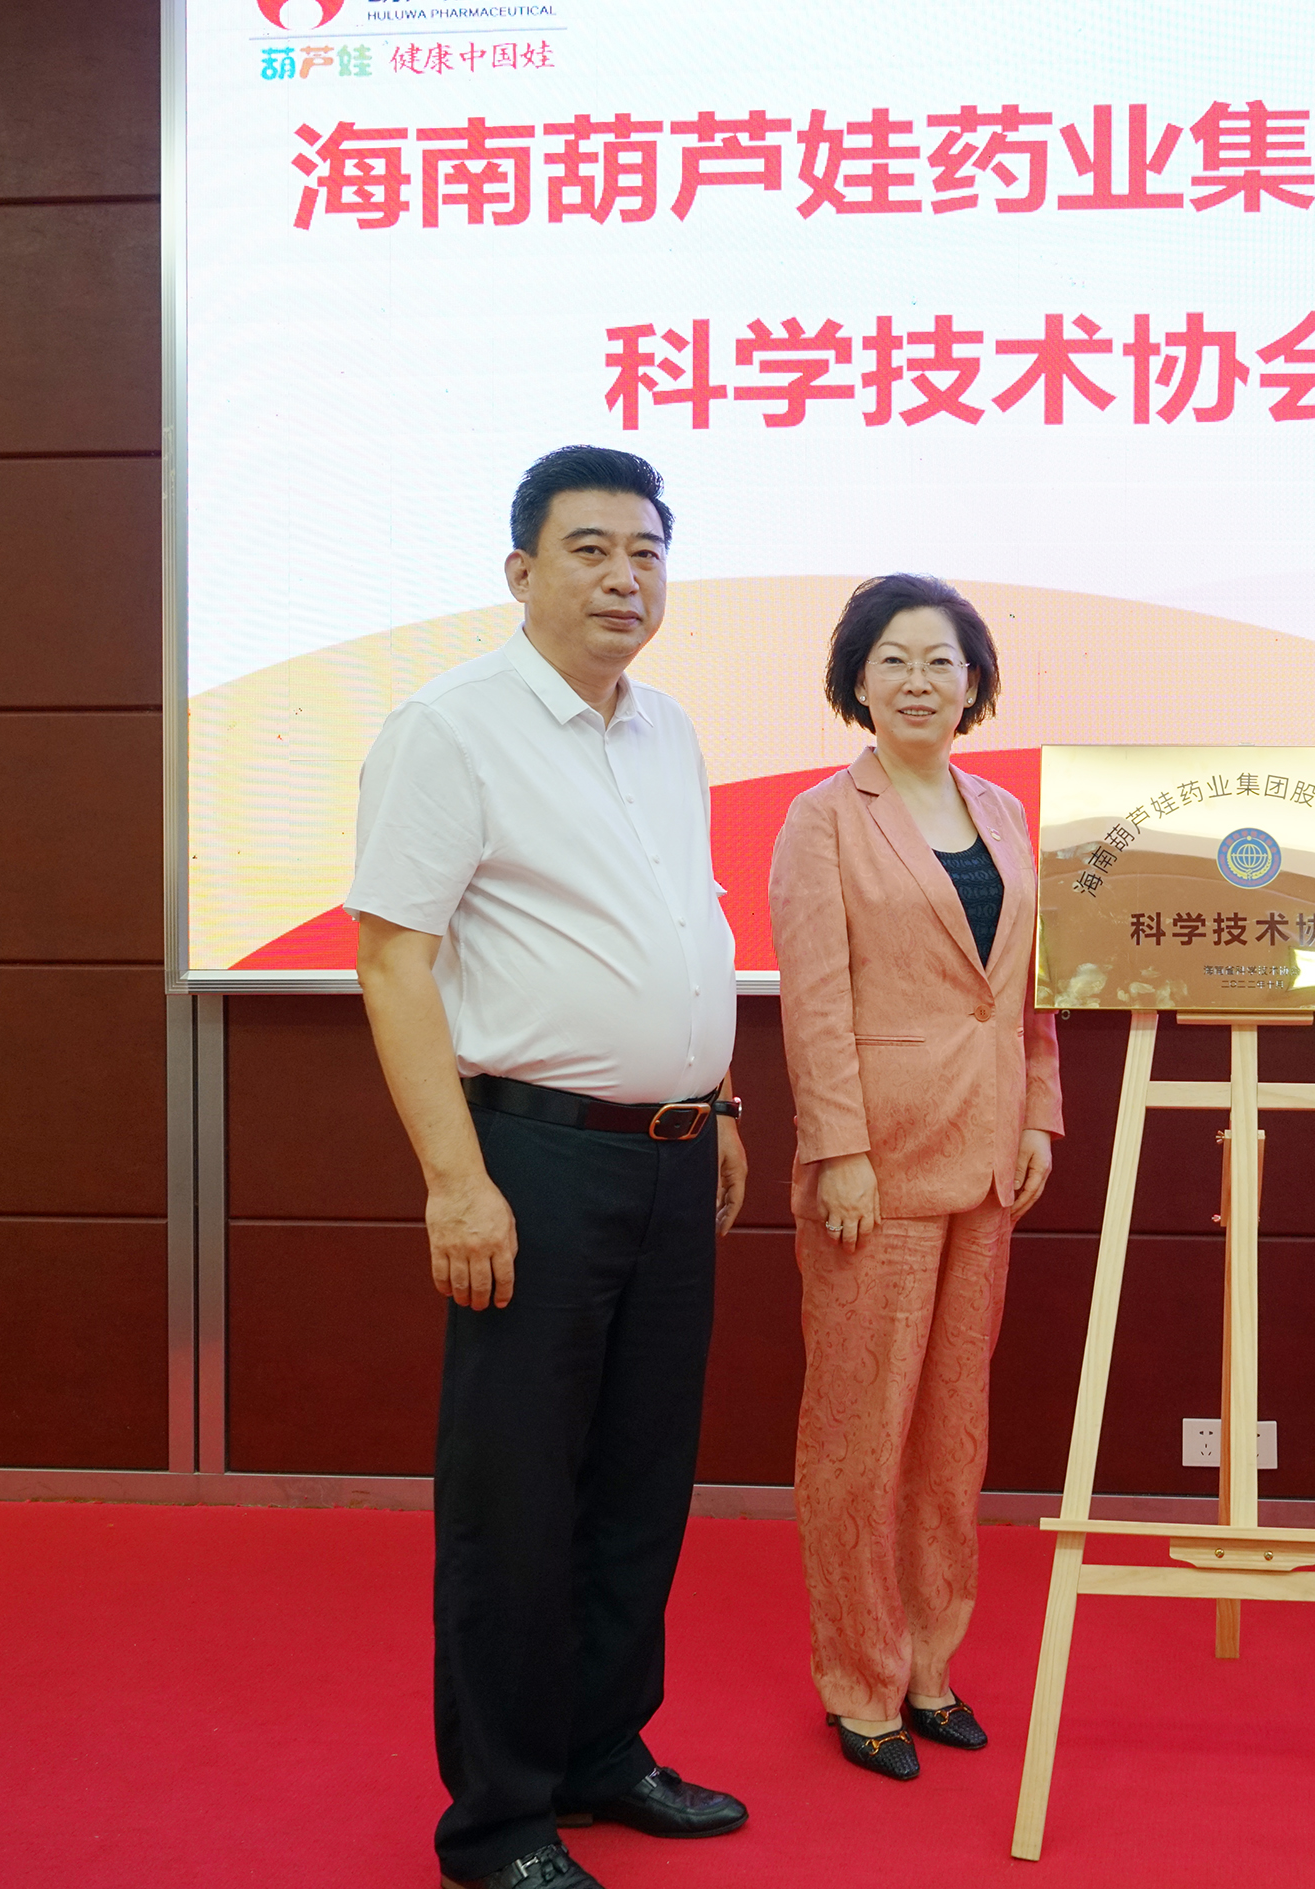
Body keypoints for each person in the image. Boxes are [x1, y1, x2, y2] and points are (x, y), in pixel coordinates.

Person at [349, 445, 751, 1889]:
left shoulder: (670, 730)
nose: (624, 577)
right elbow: (392, 962)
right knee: (517, 1498)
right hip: (533, 1161)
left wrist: (720, 1098)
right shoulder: (448, 729)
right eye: (590, 550)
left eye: (646, 550)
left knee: (641, 1480)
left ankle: (602, 1751)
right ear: (521, 571)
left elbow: (679, 928)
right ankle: (502, 1818)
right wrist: (458, 1183)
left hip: (674, 1156)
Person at [769, 574, 1061, 1781]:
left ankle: (933, 1664)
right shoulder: (822, 819)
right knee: (859, 1434)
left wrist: (1038, 1114)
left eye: (942, 661)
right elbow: (813, 1003)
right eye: (892, 660)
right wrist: (837, 1150)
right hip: (875, 1167)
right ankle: (860, 1680)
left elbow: (1027, 992)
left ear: (975, 681)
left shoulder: (1002, 810)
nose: (918, 682)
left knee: (952, 1434)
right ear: (856, 681)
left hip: (988, 1159)